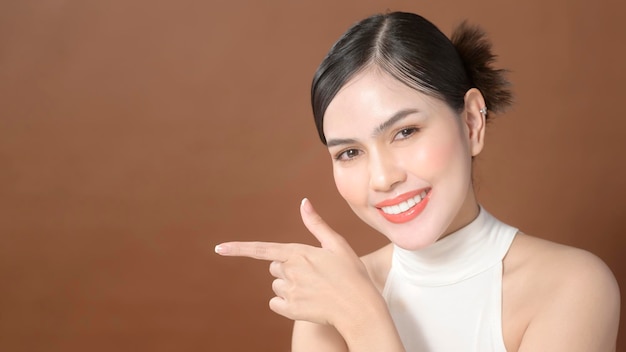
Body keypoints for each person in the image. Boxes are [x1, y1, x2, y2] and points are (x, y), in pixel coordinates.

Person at [215, 11, 620, 351]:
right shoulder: (329, 301)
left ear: (472, 121)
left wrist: (364, 321)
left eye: (405, 132)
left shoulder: (572, 287)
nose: (383, 177)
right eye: (349, 153)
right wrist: (349, 307)